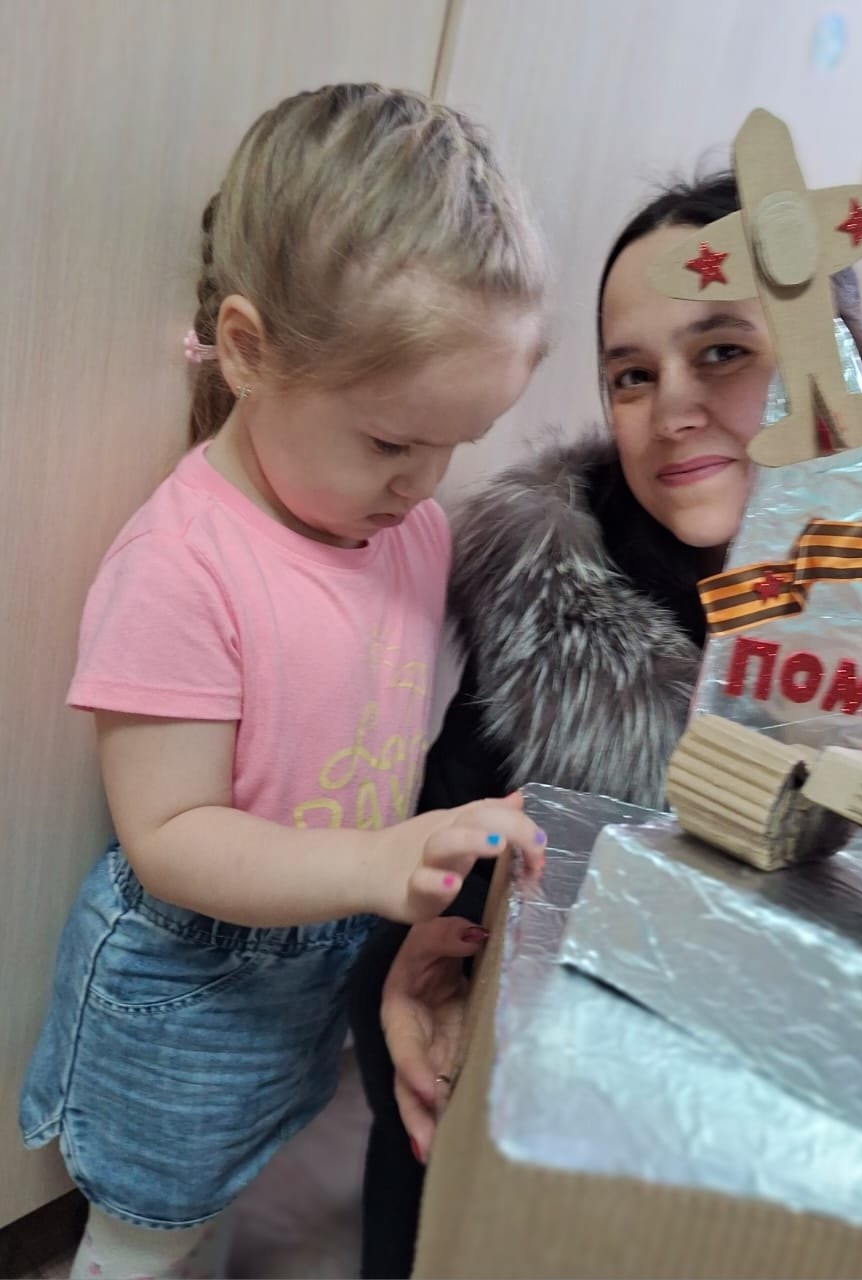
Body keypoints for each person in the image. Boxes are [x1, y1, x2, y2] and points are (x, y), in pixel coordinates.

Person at [348, 170, 862, 1278]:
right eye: (630, 374)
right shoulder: (538, 604)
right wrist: (415, 969)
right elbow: (437, 861)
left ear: (832, 357)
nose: (671, 411)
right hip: (573, 1140)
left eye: (720, 351)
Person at [19, 83, 550, 1280]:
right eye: (391, 441)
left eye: (456, 442)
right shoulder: (183, 563)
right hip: (191, 985)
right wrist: (372, 862)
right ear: (250, 352)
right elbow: (169, 832)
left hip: (316, 963)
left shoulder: (407, 529)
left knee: (236, 1192)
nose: (424, 482)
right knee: (149, 1228)